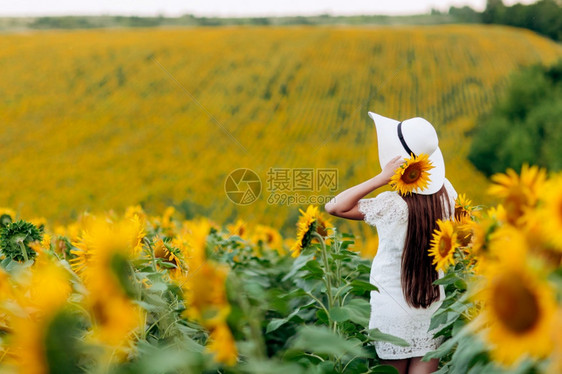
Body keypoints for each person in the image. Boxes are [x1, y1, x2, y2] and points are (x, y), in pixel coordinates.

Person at [324, 112, 457, 374]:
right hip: (431, 307)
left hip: (392, 308)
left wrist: (381, 178)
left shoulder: (391, 205)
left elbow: (335, 206)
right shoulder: (447, 196)